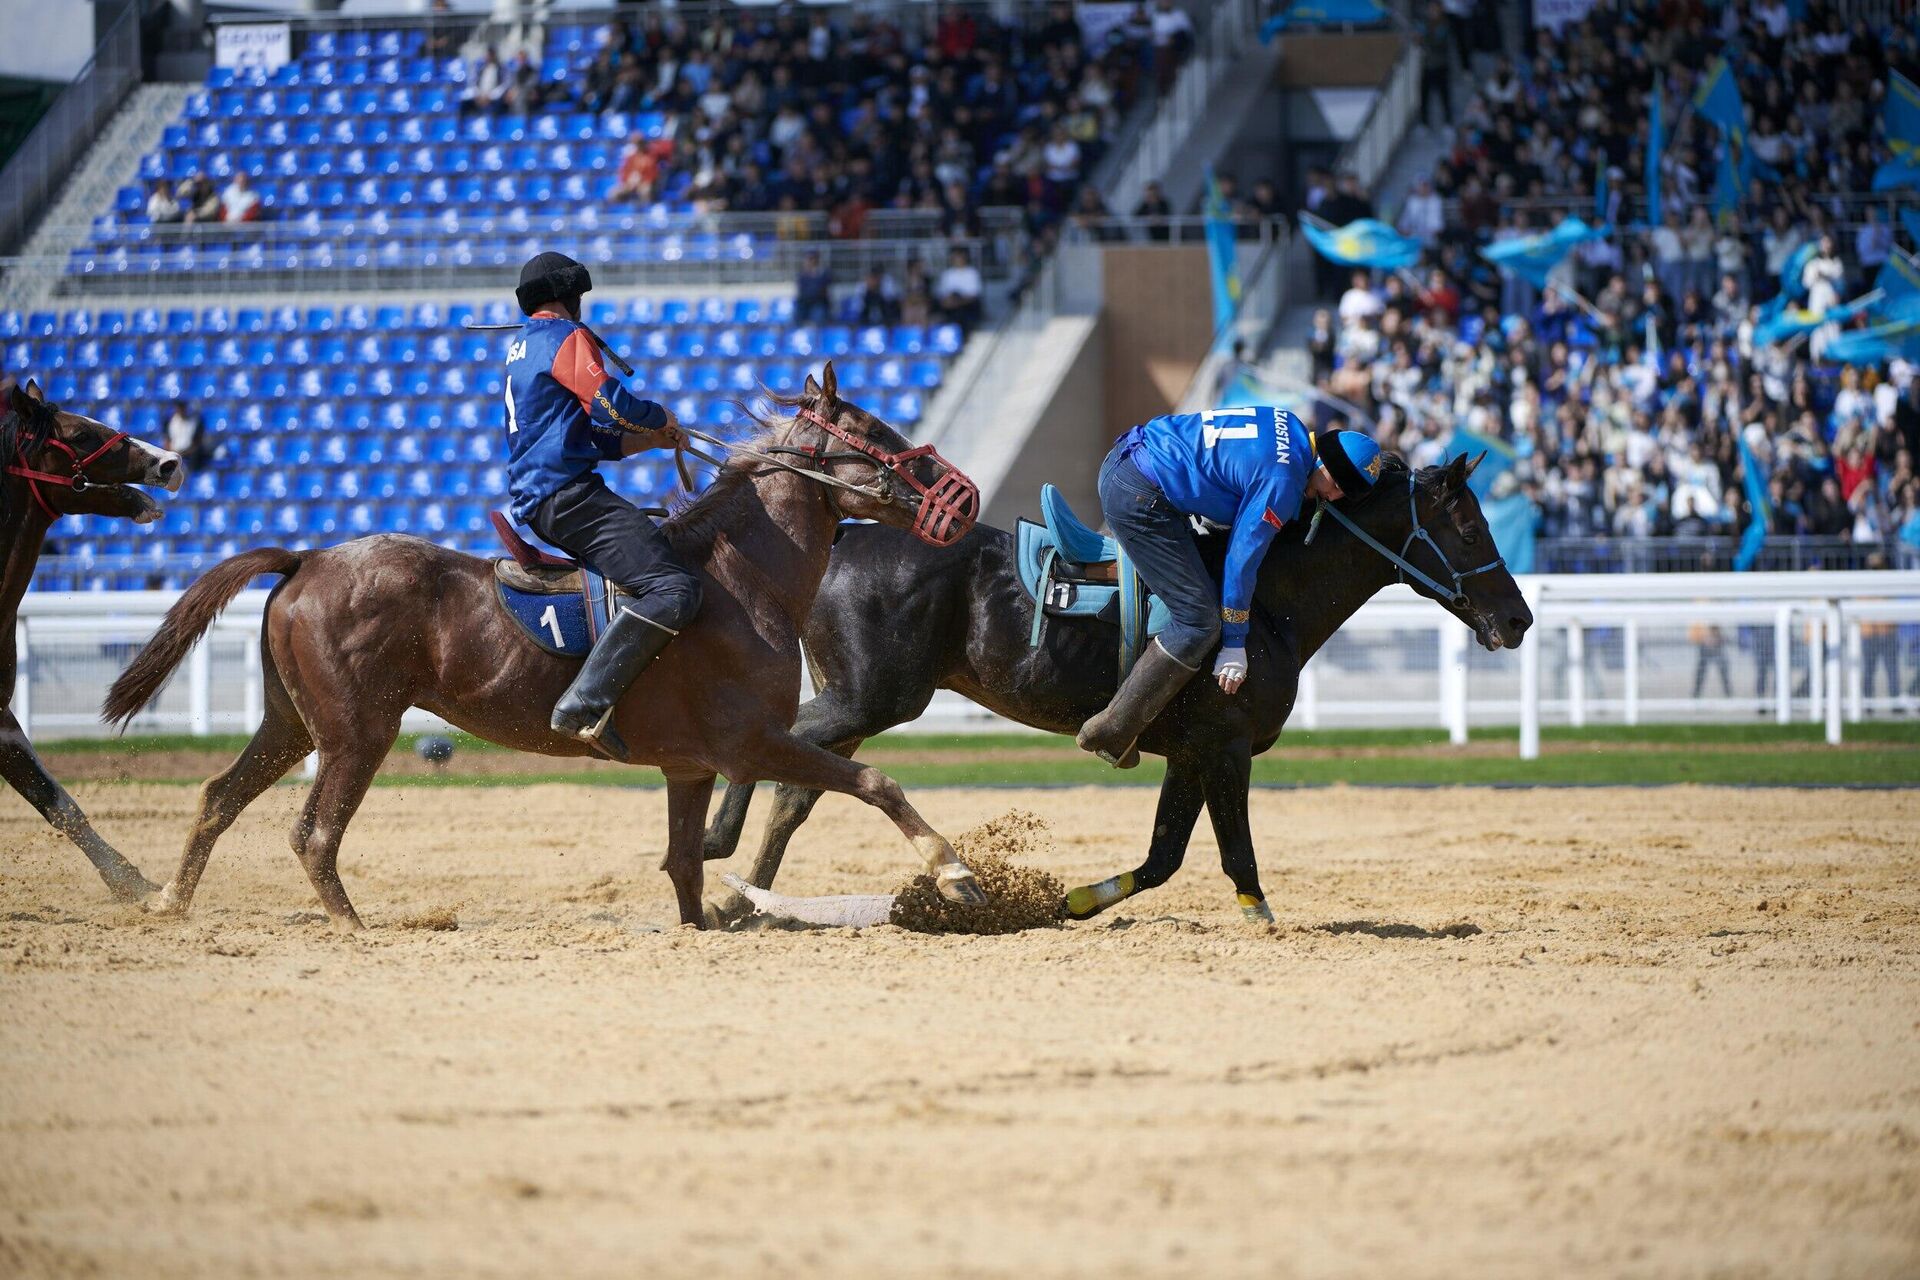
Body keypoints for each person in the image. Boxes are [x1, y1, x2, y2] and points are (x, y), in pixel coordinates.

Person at [1076, 408, 1383, 767]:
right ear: (1326, 468)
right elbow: (1242, 560)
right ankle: (1113, 728)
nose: (1332, 498)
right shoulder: (1283, 482)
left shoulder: (1290, 424)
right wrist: (1235, 642)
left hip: (1133, 460)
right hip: (1142, 493)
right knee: (1199, 622)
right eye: (1337, 488)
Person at [503, 252, 699, 761]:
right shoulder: (563, 337)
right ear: (570, 296)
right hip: (567, 496)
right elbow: (611, 404)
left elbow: (594, 437)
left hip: (548, 495)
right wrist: (659, 414)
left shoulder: (523, 346)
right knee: (673, 586)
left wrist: (651, 441)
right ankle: (586, 703)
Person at [935, 245, 984, 329]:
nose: (957, 260)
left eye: (959, 257)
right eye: (954, 258)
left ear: (965, 258)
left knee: (961, 309)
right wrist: (948, 301)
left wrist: (959, 301)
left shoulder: (972, 273)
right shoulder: (947, 274)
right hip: (950, 302)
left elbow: (974, 294)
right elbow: (942, 292)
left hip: (967, 303)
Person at [794, 250, 833, 325]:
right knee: (796, 316)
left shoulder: (823, 273)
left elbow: (823, 288)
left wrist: (816, 275)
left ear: (817, 260)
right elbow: (801, 289)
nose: (810, 261)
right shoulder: (802, 274)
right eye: (808, 259)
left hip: (819, 303)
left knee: (818, 316)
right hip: (804, 303)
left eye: (812, 259)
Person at [165, 400, 205, 466]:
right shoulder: (170, 421)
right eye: (179, 407)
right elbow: (167, 441)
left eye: (183, 407)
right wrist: (173, 453)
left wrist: (184, 453)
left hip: (190, 456)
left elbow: (197, 442)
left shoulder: (196, 422)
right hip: (174, 454)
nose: (181, 410)